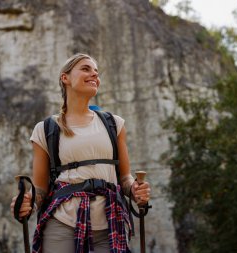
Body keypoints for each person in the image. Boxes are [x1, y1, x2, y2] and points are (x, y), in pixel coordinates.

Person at [10, 53, 151, 253]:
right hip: (61, 224)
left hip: (110, 224)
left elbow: (125, 178)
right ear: (65, 78)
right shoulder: (45, 129)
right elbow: (40, 189)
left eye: (96, 71)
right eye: (86, 69)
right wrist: (28, 203)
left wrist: (135, 190)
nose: (94, 74)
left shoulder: (114, 123)